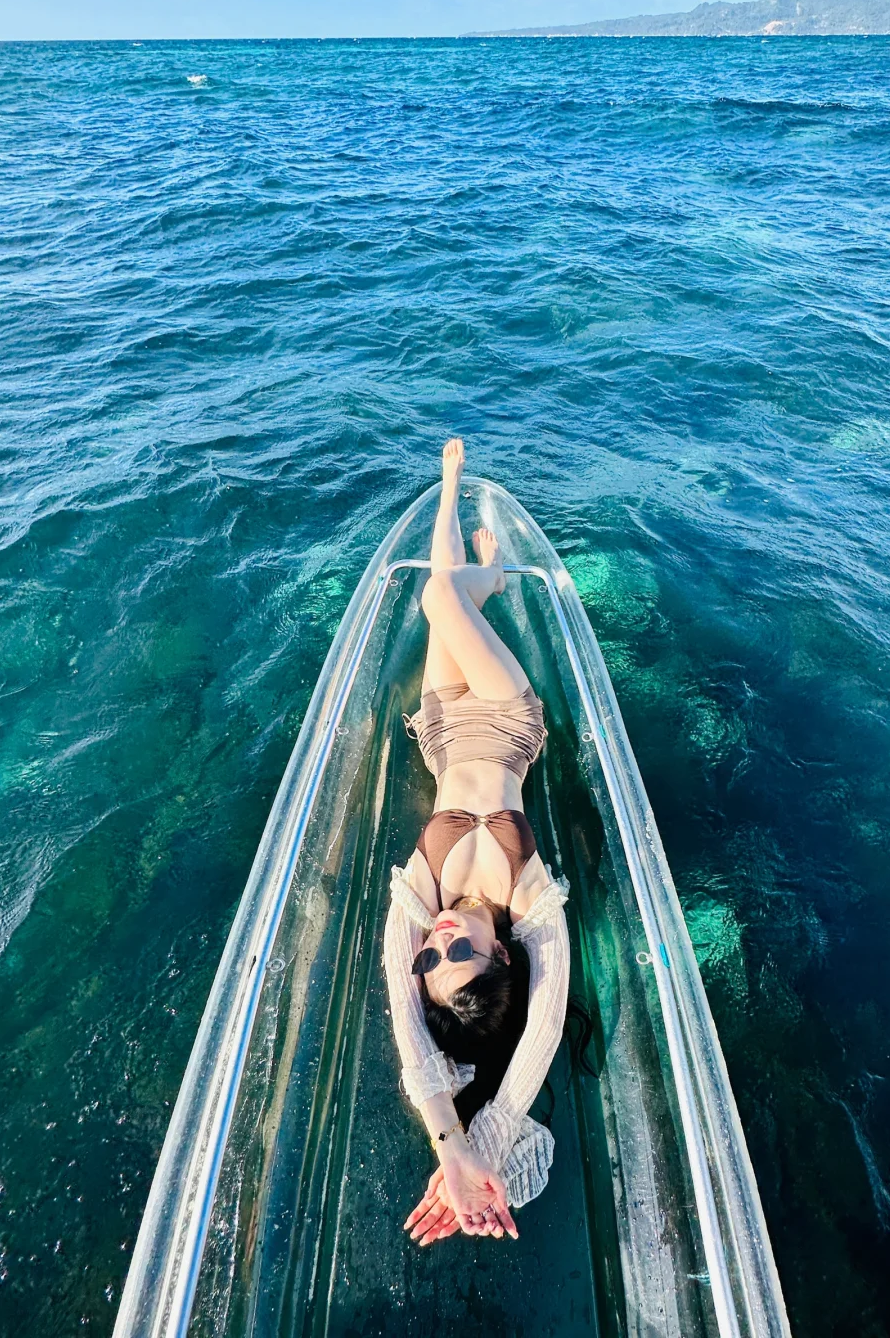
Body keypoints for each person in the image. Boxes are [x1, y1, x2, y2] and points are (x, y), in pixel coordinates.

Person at [382, 438, 571, 1247]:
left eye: (429, 959)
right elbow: (548, 1022)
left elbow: (403, 1017)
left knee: (436, 593)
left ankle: (452, 485)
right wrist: (484, 1140)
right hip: (504, 723)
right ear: (502, 956)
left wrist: (447, 1142)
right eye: (459, 950)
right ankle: (488, 580)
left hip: (442, 735)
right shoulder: (528, 901)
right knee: (438, 603)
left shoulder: (420, 906)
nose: (435, 940)